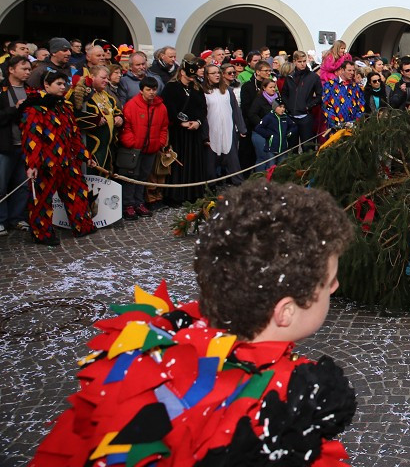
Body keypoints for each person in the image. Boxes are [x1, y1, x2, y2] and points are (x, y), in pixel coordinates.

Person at [33, 180, 357, 465]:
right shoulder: (278, 416)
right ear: (285, 312)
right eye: (328, 282)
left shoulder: (159, 341)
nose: (335, 287)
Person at [21, 70, 97, 246]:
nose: (63, 88)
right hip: (46, 163)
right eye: (59, 84)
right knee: (42, 200)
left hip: (68, 161)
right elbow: (31, 139)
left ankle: (82, 225)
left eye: (64, 84)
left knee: (78, 193)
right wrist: (32, 164)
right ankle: (42, 232)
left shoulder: (65, 107)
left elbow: (74, 134)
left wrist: (85, 156)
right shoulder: (34, 108)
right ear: (46, 86)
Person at [118, 77, 169, 220]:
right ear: (142, 90)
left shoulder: (161, 107)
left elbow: (164, 126)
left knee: (143, 177)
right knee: (131, 177)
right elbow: (126, 126)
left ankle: (139, 202)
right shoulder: (131, 105)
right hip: (134, 149)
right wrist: (131, 143)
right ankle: (128, 204)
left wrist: (160, 142)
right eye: (148, 90)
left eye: (154, 89)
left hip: (151, 148)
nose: (152, 93)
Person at [160, 56, 208, 205]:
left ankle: (193, 193)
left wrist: (198, 122)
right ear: (182, 72)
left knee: (194, 162)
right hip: (178, 132)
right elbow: (169, 107)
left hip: (194, 131)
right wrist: (181, 123)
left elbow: (202, 108)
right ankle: (175, 195)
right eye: (189, 75)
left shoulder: (197, 89)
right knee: (178, 163)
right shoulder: (171, 88)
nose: (191, 78)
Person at [0, 55, 31, 235]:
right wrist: (15, 109)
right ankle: (1, 220)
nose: (27, 72)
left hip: (25, 145)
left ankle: (17, 218)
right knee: (1, 185)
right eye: (24, 68)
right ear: (11, 70)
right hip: (6, 144)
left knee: (22, 184)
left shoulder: (30, 90)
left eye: (29, 69)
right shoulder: (2, 91)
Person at [71, 64, 122, 170]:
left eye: (107, 79)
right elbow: (73, 116)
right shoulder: (83, 95)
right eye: (103, 78)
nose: (106, 81)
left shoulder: (108, 97)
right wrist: (95, 120)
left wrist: (119, 118)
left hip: (108, 149)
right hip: (91, 150)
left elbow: (117, 112)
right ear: (92, 77)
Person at [203, 63, 245, 186]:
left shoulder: (227, 91)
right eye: (213, 73)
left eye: (218, 73)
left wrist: (241, 128)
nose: (217, 75)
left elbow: (235, 110)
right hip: (212, 129)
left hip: (228, 128)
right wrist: (205, 135)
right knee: (211, 161)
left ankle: (238, 183)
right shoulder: (203, 91)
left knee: (233, 159)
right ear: (207, 75)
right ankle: (210, 187)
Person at [281, 51, 323, 149]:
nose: (303, 64)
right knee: (291, 148)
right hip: (291, 117)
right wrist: (288, 107)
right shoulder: (290, 77)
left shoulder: (313, 77)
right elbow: (284, 94)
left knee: (308, 148)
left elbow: (320, 95)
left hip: (306, 117)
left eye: (304, 61)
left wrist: (308, 106)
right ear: (294, 61)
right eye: (300, 61)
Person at [322, 60, 363, 132]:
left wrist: (355, 122)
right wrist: (338, 124)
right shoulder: (330, 85)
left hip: (353, 129)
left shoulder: (356, 87)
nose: (352, 73)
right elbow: (326, 106)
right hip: (335, 129)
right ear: (342, 70)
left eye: (353, 70)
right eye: (349, 70)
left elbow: (361, 106)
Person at [255, 98, 298, 165]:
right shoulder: (269, 117)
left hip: (283, 148)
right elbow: (258, 128)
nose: (282, 109)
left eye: (284, 107)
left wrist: (290, 133)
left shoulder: (285, 117)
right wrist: (269, 135)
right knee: (271, 167)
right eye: (280, 107)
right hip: (271, 149)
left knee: (282, 167)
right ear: (275, 107)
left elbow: (294, 126)